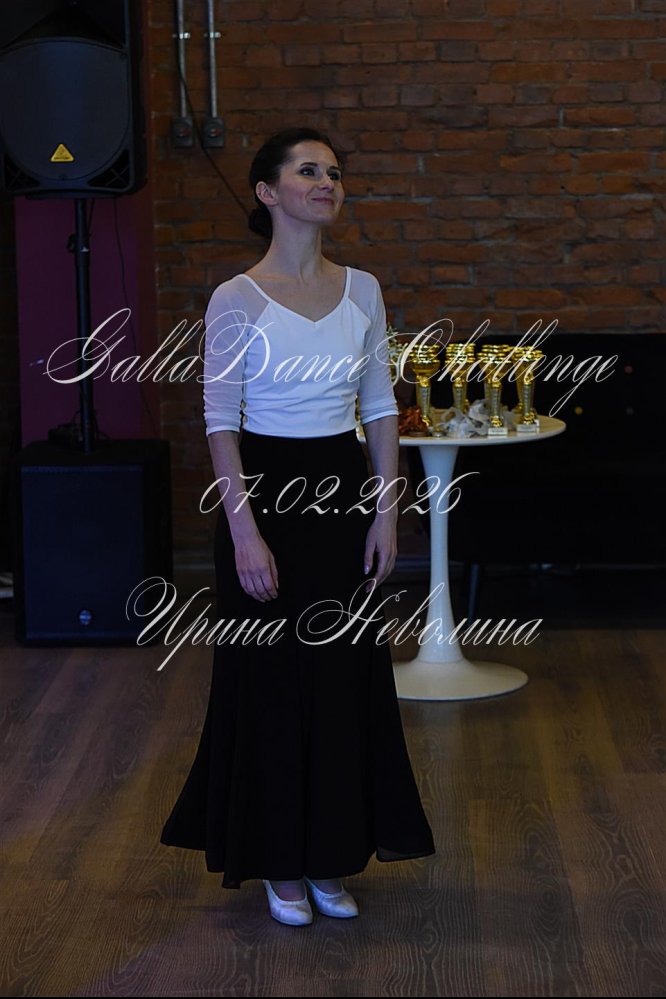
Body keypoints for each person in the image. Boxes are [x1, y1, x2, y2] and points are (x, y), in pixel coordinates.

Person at [159, 127, 436, 926]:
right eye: (309, 171)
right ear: (267, 192)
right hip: (265, 499)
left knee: (343, 680)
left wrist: (387, 510)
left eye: (335, 172)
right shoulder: (235, 298)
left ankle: (328, 854)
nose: (327, 182)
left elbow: (379, 405)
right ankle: (279, 860)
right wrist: (245, 533)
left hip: (342, 495)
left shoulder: (363, 289)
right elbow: (220, 422)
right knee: (272, 684)